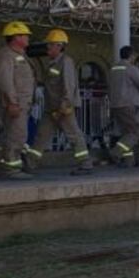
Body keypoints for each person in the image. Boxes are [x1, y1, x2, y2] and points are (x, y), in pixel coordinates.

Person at [26, 29, 93, 175]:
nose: (47, 48)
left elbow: (68, 85)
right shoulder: (52, 63)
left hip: (63, 108)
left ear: (59, 46)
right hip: (51, 109)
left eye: (50, 45)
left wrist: (65, 105)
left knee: (73, 135)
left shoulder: (66, 62)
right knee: (41, 136)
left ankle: (86, 164)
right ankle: (30, 164)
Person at [0, 21, 36, 180]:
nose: (27, 38)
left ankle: (10, 167)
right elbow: (4, 81)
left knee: (18, 135)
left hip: (22, 103)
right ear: (15, 37)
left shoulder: (20, 55)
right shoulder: (6, 55)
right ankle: (11, 169)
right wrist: (12, 102)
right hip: (15, 104)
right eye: (25, 35)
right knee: (16, 136)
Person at [108, 45, 139, 167]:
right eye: (134, 56)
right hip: (129, 104)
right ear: (131, 56)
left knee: (127, 132)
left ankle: (129, 161)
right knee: (136, 131)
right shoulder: (130, 68)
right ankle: (116, 152)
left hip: (115, 105)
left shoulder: (113, 69)